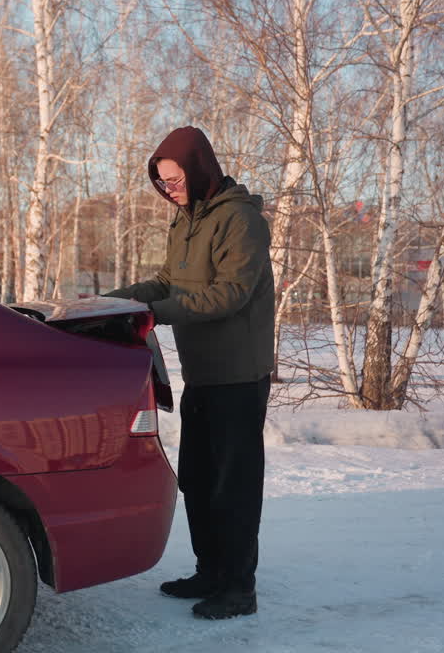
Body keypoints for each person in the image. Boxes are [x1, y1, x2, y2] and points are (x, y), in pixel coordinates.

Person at [105, 126, 275, 620]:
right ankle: (210, 571)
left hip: (239, 377)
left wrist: (158, 313)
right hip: (202, 373)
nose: (170, 189)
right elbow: (166, 281)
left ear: (199, 169)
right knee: (198, 479)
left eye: (175, 179)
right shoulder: (186, 221)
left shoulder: (240, 221)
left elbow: (229, 294)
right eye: (163, 181)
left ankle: (239, 587)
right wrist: (110, 302)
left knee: (234, 485)